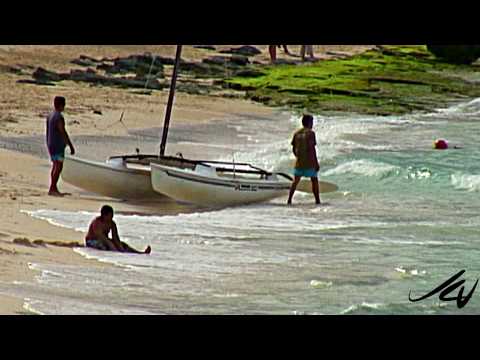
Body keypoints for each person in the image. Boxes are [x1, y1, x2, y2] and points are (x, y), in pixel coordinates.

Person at [85, 205, 152, 254]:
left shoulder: (112, 223)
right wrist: (113, 247)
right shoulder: (97, 223)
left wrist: (120, 247)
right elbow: (102, 237)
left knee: (123, 245)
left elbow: (115, 237)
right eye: (110, 216)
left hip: (105, 240)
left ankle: (139, 253)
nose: (111, 217)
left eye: (112, 216)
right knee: (104, 246)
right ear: (104, 215)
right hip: (92, 240)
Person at [287, 114, 321, 205]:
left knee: (295, 181)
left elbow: (294, 149)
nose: (312, 124)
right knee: (314, 180)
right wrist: (316, 163)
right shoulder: (311, 133)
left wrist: (298, 157)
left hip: (299, 162)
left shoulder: (296, 133)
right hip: (309, 162)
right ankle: (317, 201)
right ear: (309, 122)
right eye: (312, 122)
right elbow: (312, 149)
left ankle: (289, 200)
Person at [45, 96, 75, 196]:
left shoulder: (50, 115)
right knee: (58, 166)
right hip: (57, 145)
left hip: (50, 144)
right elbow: (62, 131)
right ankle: (53, 188)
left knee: (55, 165)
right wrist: (70, 145)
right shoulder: (59, 117)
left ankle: (53, 187)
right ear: (62, 105)